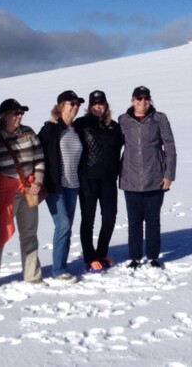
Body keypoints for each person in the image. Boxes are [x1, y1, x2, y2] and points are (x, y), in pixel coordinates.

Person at [0, 98, 45, 287]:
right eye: (15, 113)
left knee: (29, 233)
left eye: (21, 113)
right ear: (4, 116)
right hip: (4, 190)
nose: (19, 116)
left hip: (29, 189)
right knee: (0, 234)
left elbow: (40, 158)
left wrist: (38, 181)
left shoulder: (28, 132)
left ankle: (32, 275)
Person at [119, 86, 176, 269]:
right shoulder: (123, 120)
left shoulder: (159, 119)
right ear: (132, 100)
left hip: (155, 178)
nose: (142, 102)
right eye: (139, 98)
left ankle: (152, 256)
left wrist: (169, 174)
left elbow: (170, 146)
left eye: (146, 98)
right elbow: (111, 144)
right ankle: (135, 257)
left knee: (153, 221)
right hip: (131, 179)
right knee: (134, 221)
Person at [74, 90, 125, 273]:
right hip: (88, 179)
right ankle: (90, 256)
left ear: (106, 104)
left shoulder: (114, 126)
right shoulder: (81, 124)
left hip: (109, 179)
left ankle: (102, 252)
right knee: (88, 219)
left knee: (110, 218)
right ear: (89, 106)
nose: (98, 106)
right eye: (94, 103)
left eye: (101, 103)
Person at [38, 90, 86, 282]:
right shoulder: (50, 129)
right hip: (55, 186)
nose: (75, 107)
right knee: (63, 224)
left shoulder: (76, 130)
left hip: (73, 185)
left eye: (77, 104)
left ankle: (62, 266)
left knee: (66, 227)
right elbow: (37, 152)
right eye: (71, 103)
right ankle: (58, 270)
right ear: (60, 106)